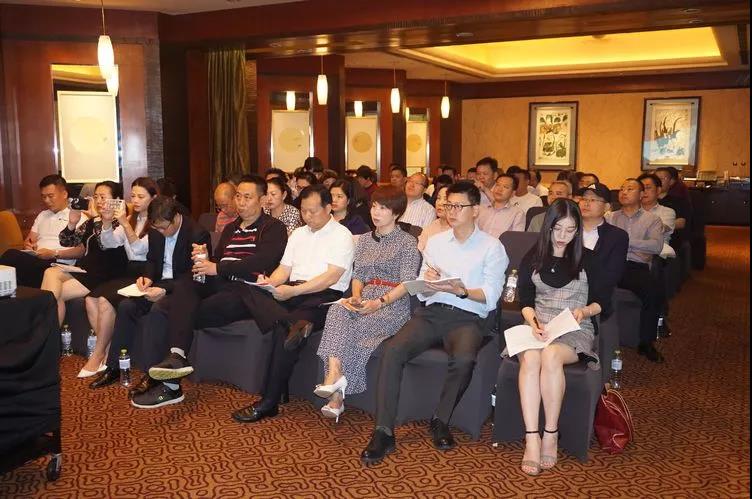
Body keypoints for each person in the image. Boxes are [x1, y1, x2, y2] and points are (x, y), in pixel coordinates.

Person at [360, 182, 507, 465]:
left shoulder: (492, 247)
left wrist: (462, 290)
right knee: (393, 350)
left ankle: (441, 419)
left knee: (464, 359)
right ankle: (383, 431)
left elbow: (491, 295)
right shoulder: (436, 242)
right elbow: (421, 290)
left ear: (476, 210)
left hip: (467, 316)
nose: (451, 211)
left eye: (459, 206)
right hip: (432, 313)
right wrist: (427, 283)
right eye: (449, 205)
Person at [127, 176, 289, 408]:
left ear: (262, 200)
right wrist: (204, 258)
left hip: (248, 291)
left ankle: (170, 385)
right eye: (238, 196)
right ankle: (174, 359)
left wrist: (217, 267)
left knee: (176, 309)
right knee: (178, 291)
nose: (241, 202)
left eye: (248, 197)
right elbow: (217, 262)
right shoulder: (231, 228)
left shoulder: (274, 228)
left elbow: (262, 261)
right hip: (221, 283)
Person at [231, 184, 355, 423]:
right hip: (293, 293)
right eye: (303, 211)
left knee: (283, 330)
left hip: (323, 297)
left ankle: (269, 402)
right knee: (249, 290)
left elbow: (331, 277)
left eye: (312, 211)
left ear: (328, 208)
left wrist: (293, 291)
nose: (307, 216)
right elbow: (284, 269)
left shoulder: (342, 235)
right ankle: (289, 323)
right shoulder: (298, 234)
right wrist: (270, 283)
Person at [510, 198, 609, 475]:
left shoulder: (587, 258)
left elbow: (603, 302)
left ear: (578, 230)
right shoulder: (534, 256)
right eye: (558, 229)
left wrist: (584, 311)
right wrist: (533, 322)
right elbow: (525, 300)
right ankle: (532, 438)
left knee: (552, 355)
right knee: (532, 358)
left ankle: (551, 433)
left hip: (574, 327)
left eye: (570, 229)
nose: (563, 236)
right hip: (539, 325)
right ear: (548, 227)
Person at [314, 186, 420, 421]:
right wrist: (356, 296)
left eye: (383, 208)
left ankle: (336, 396)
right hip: (365, 296)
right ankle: (334, 374)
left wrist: (379, 303)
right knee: (337, 310)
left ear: (396, 213)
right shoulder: (363, 240)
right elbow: (359, 275)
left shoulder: (407, 242)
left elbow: (407, 283)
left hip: (392, 303)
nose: (376, 212)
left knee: (352, 330)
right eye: (374, 206)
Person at [88, 195, 211, 391]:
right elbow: (152, 261)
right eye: (156, 228)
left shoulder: (197, 234)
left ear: (176, 217)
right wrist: (147, 278)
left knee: (157, 310)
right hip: (159, 284)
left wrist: (164, 289)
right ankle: (114, 367)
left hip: (182, 289)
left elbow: (195, 274)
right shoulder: (155, 231)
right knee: (126, 306)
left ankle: (151, 373)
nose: (160, 232)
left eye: (164, 228)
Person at [78, 177, 158, 378]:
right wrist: (106, 222)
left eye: (141, 196)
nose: (135, 200)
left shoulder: (157, 222)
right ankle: (107, 349)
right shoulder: (131, 219)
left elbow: (139, 249)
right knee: (90, 299)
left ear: (153, 198)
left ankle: (98, 355)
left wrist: (123, 222)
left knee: (105, 301)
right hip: (128, 272)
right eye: (133, 196)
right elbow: (109, 243)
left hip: (147, 273)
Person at [40, 181, 128, 328]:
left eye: (103, 197)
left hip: (104, 275)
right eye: (96, 197)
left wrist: (97, 218)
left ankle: (46, 334)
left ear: (116, 200)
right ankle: (50, 334)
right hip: (85, 270)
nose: (98, 201)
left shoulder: (121, 222)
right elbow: (66, 241)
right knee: (50, 272)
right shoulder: (92, 221)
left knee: (53, 297)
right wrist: (72, 223)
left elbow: (104, 243)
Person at [606, 179, 665, 363]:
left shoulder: (652, 220)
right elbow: (603, 242)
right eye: (622, 189)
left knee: (653, 291)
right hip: (610, 263)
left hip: (634, 267)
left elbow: (655, 246)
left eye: (630, 189)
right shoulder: (610, 217)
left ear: (641, 195)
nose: (623, 192)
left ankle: (646, 342)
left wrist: (623, 241)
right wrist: (638, 246)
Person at [0, 174, 84, 287]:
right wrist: (29, 247)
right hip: (37, 260)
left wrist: (54, 254)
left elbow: (81, 251)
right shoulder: (43, 215)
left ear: (64, 194)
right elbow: (29, 241)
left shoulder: (77, 216)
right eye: (43, 197)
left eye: (50, 196)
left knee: (11, 256)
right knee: (11, 263)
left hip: (58, 264)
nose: (47, 200)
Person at [577, 183, 628, 301]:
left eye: (593, 200)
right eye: (584, 199)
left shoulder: (617, 236)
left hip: (596, 295)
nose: (586, 203)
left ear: (606, 207)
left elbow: (613, 275)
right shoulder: (567, 230)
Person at [638, 173, 676, 258]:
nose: (644, 191)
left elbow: (658, 229)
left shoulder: (667, 212)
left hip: (656, 255)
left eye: (648, 188)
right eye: (641, 188)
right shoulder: (631, 211)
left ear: (658, 190)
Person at [654, 167, 691, 251]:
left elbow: (681, 223)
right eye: (655, 179)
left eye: (662, 179)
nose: (658, 182)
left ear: (671, 182)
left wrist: (656, 227)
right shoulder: (647, 200)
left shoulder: (679, 201)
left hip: (671, 238)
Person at [477, 173, 525, 238]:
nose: (499, 189)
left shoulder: (517, 213)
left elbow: (516, 239)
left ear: (513, 193)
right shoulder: (481, 209)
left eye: (505, 187)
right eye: (498, 185)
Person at [417, 185, 451, 252]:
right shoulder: (432, 225)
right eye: (438, 198)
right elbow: (419, 250)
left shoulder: (458, 229)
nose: (440, 203)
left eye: (445, 199)